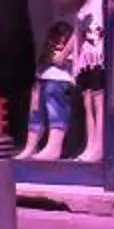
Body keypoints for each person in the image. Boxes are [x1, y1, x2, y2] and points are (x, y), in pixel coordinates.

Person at [68, 0, 110, 162]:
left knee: (98, 102)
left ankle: (99, 144)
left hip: (97, 59)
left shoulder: (101, 3)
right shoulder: (82, 9)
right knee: (87, 103)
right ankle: (91, 143)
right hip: (85, 61)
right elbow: (76, 38)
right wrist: (73, 61)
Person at [22, 21, 77, 160]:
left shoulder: (70, 58)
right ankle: (30, 146)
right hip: (44, 80)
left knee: (55, 108)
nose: (58, 46)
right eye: (55, 43)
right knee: (35, 112)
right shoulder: (45, 61)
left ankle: (54, 146)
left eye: (62, 43)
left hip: (60, 82)